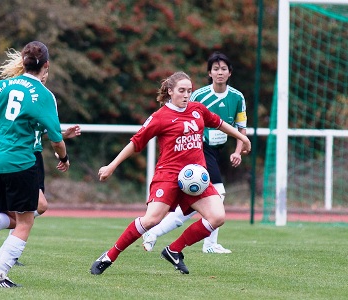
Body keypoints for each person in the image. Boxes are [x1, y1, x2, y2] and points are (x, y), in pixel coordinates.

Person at [90, 71, 250, 275]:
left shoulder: (197, 109)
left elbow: (219, 123)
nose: (186, 95)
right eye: (182, 91)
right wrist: (112, 166)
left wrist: (242, 138)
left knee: (217, 216)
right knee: (151, 220)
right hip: (169, 177)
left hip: (196, 178)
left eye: (189, 91)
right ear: (170, 91)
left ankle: (174, 250)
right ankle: (109, 256)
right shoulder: (160, 117)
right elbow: (136, 142)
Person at [0, 41, 70, 288]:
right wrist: (63, 158)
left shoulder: (1, 86)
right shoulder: (44, 95)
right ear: (46, 65)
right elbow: (57, 141)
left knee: (9, 216)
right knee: (26, 221)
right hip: (19, 162)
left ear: (24, 62)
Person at [142, 52, 247, 254]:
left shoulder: (237, 97)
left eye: (223, 69)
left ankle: (154, 232)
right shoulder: (198, 95)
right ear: (209, 73)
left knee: (193, 204)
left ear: (230, 72)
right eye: (215, 69)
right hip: (200, 149)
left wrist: (238, 151)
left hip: (220, 149)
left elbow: (241, 126)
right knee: (219, 193)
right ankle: (209, 245)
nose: (220, 73)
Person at [0, 49, 81, 253]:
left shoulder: (19, 90)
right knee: (36, 208)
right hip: (26, 157)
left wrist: (63, 134)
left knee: (32, 209)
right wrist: (63, 154)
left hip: (20, 155)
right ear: (45, 66)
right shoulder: (39, 94)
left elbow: (42, 131)